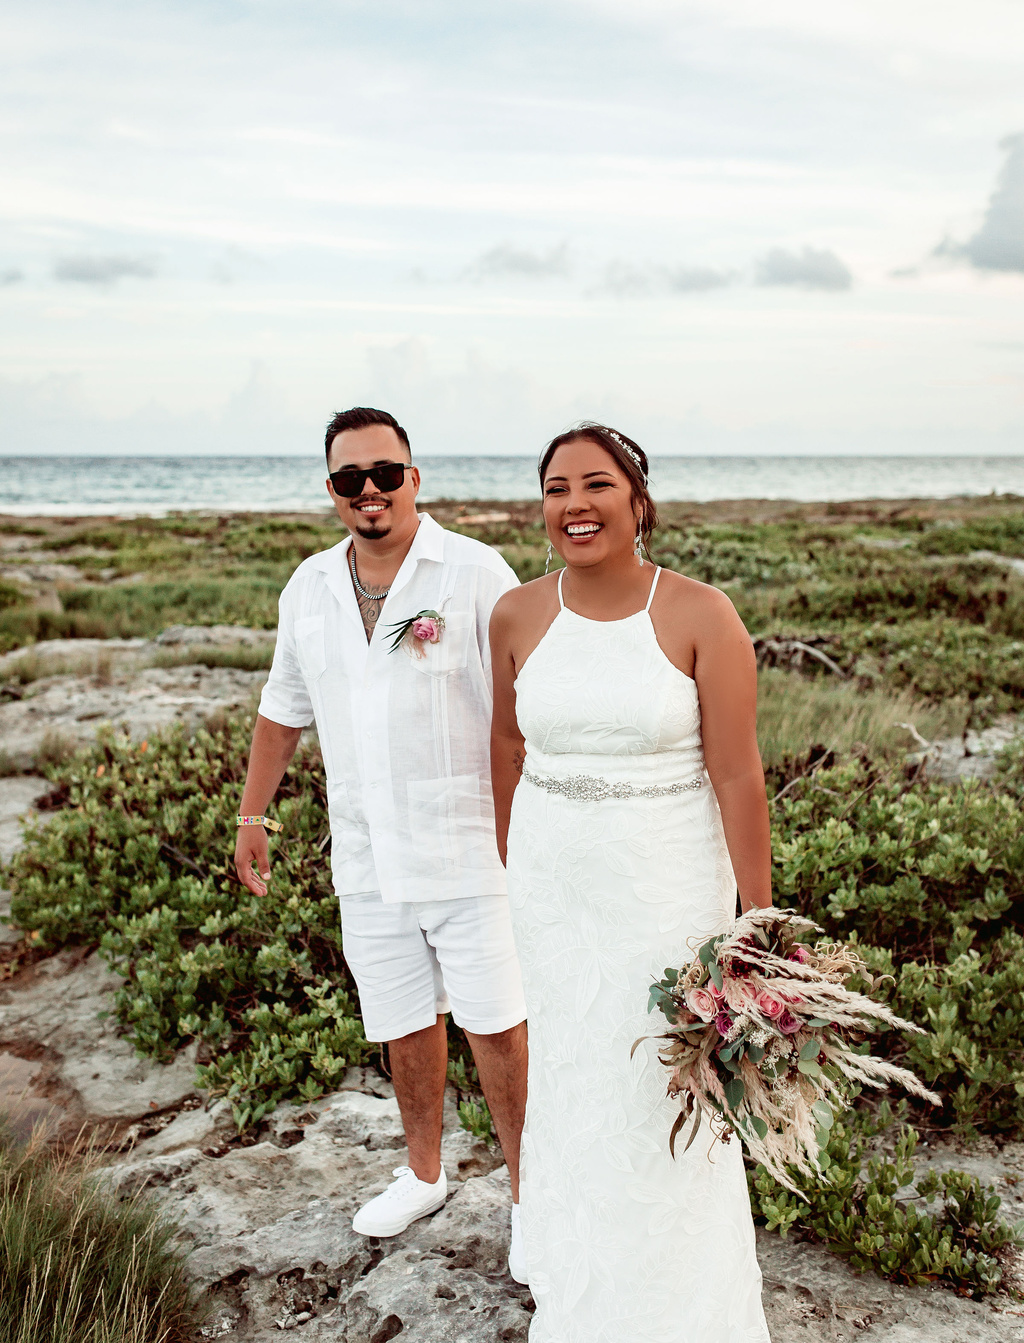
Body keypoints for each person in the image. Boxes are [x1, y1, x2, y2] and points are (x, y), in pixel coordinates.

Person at [489, 423, 771, 1340]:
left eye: (596, 484)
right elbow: (506, 742)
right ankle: (581, 1300)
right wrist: (512, 858)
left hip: (664, 888)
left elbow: (737, 772)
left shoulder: (701, 612)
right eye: (556, 487)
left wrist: (756, 921)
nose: (575, 503)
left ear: (637, 500)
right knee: (572, 1086)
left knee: (659, 1086)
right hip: (552, 892)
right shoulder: (518, 615)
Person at [235, 407, 529, 1281]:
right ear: (331, 492)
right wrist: (253, 816)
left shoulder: (476, 572)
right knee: (402, 1020)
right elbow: (283, 708)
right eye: (349, 479)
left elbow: (524, 707)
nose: (370, 492)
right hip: (365, 855)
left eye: (384, 473)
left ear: (414, 475)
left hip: (474, 850)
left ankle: (532, 1197)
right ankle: (425, 1172)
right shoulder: (309, 588)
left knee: (498, 1027)